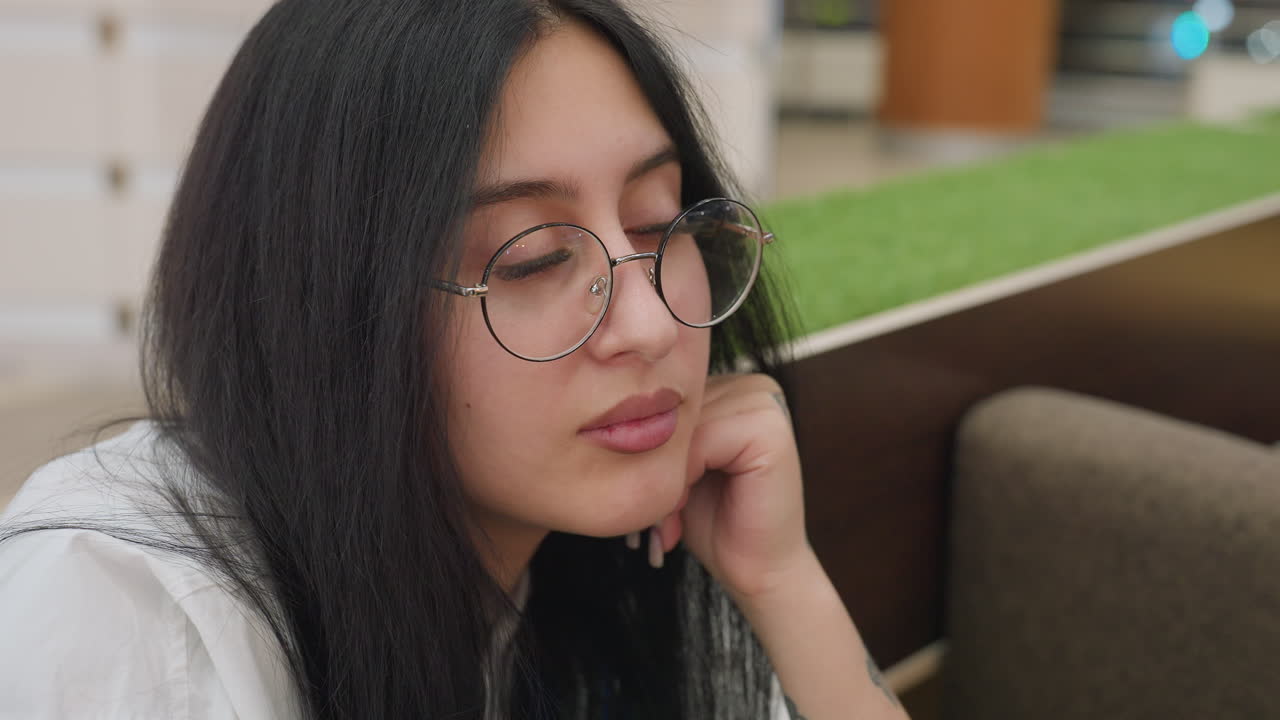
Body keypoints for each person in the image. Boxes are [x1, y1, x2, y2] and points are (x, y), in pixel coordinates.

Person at [0, 1, 909, 718]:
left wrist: (782, 582)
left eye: (658, 221)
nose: (647, 325)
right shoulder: (123, 609)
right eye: (532, 258)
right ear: (332, 311)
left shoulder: (627, 560)